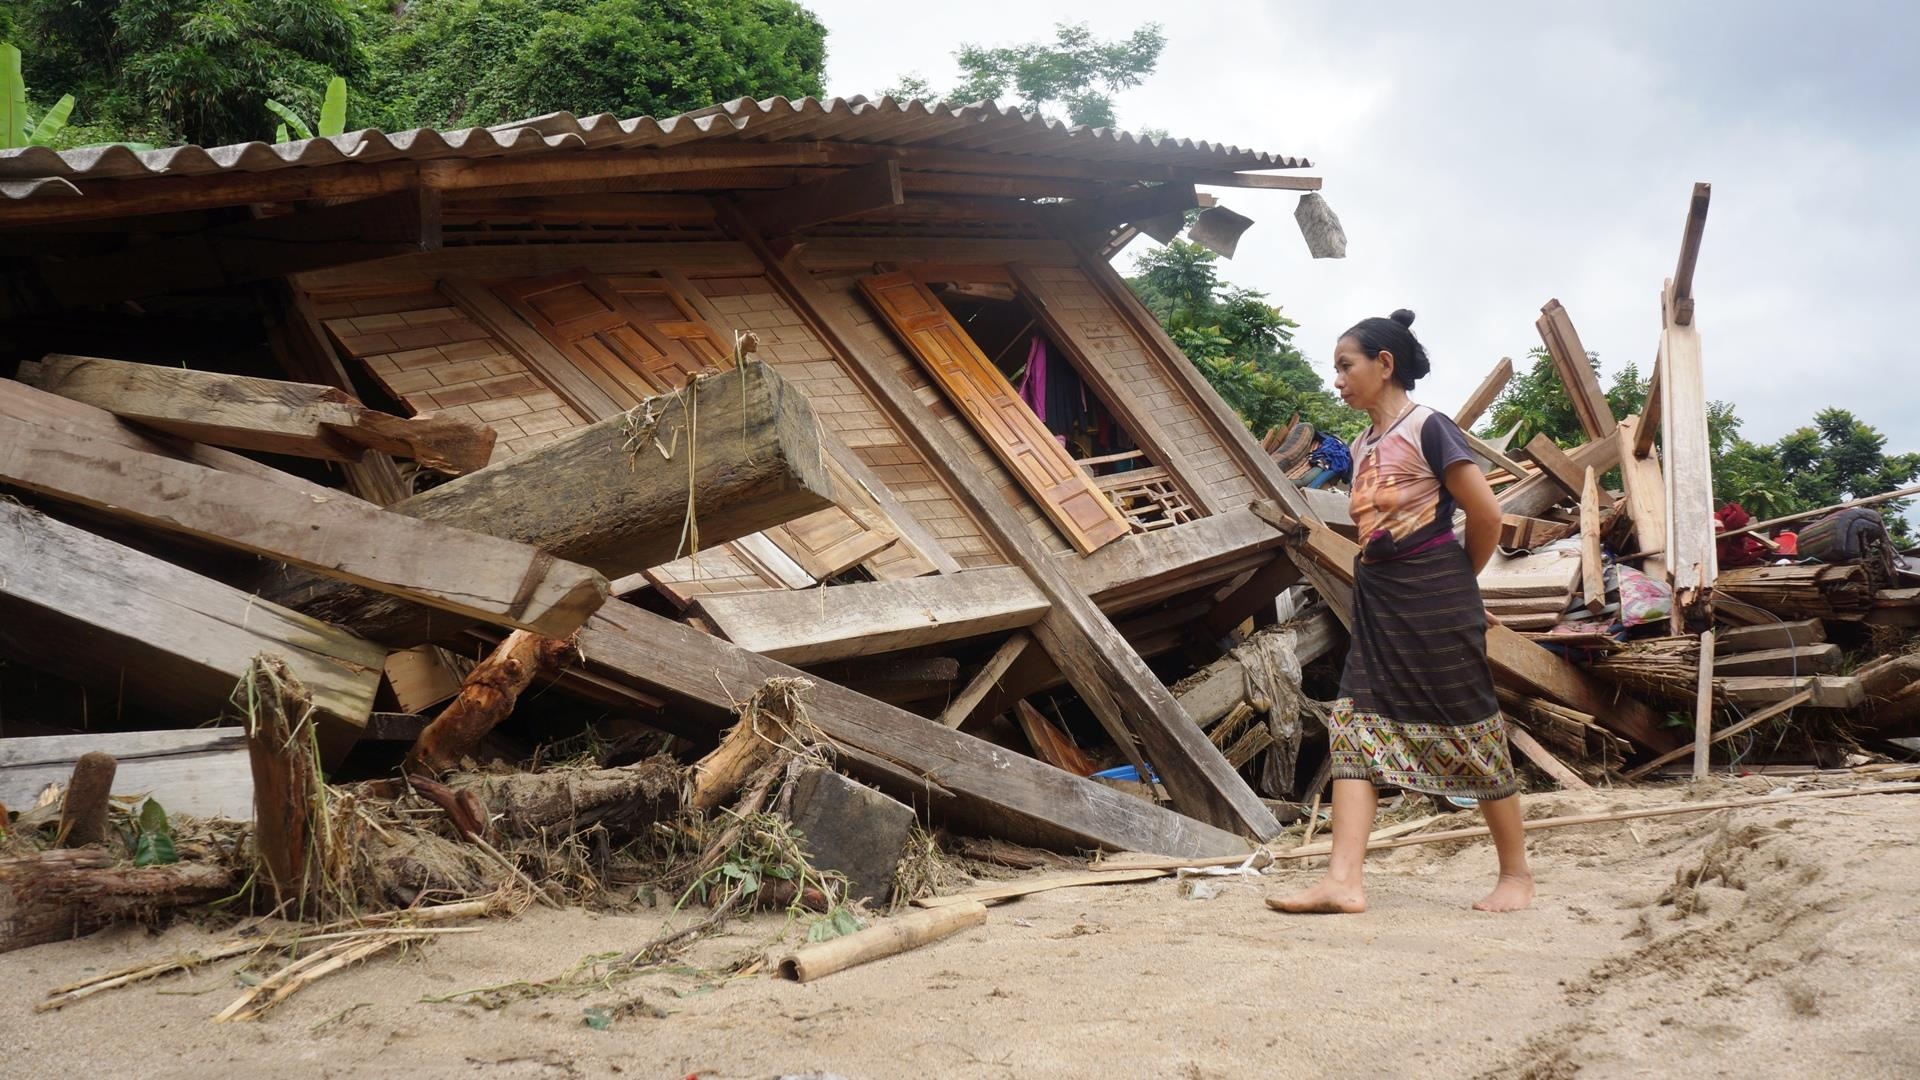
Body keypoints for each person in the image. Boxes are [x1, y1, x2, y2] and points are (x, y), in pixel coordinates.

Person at [1268, 309, 1534, 915]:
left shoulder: (1428, 427)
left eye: (1346, 366)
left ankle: (1516, 875)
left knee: (1469, 721)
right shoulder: (1361, 445)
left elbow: (1487, 515)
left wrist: (1458, 585)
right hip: (1380, 598)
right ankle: (1343, 881)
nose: (1337, 380)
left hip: (1435, 591)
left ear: (1384, 364)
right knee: (1353, 723)